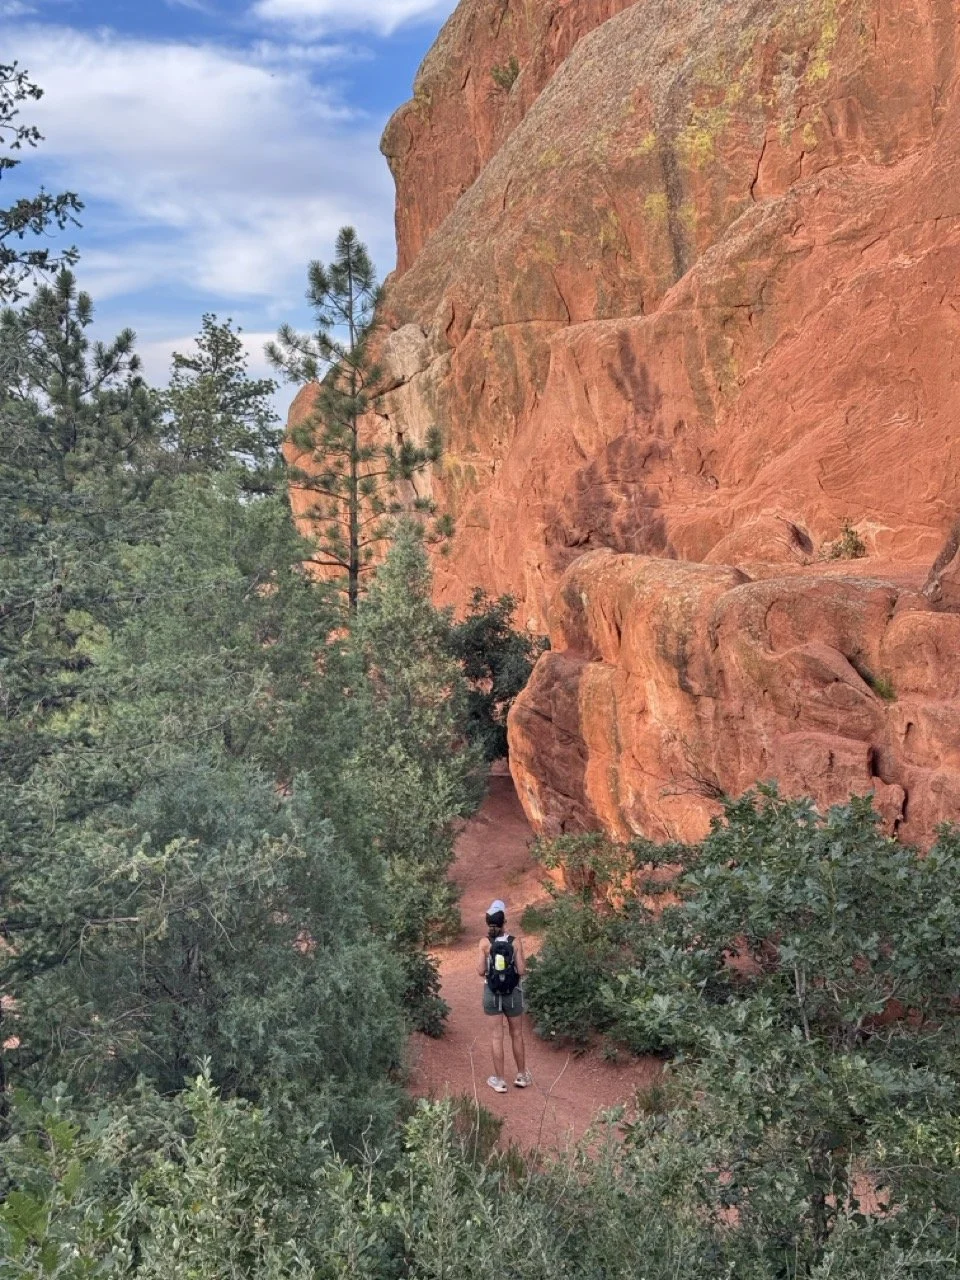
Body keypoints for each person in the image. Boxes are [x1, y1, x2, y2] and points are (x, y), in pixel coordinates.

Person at [477, 898, 532, 1094]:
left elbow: (480, 970)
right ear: (504, 922)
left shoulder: (484, 943)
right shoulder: (515, 941)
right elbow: (522, 970)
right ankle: (521, 1075)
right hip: (513, 993)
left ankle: (499, 1080)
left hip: (491, 993)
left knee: (496, 1037)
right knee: (516, 1034)